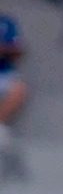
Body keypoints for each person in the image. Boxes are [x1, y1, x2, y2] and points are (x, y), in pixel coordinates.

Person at [0, 10, 24, 145]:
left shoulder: (6, 22)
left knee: (19, 89)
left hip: (4, 72)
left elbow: (18, 50)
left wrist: (4, 50)